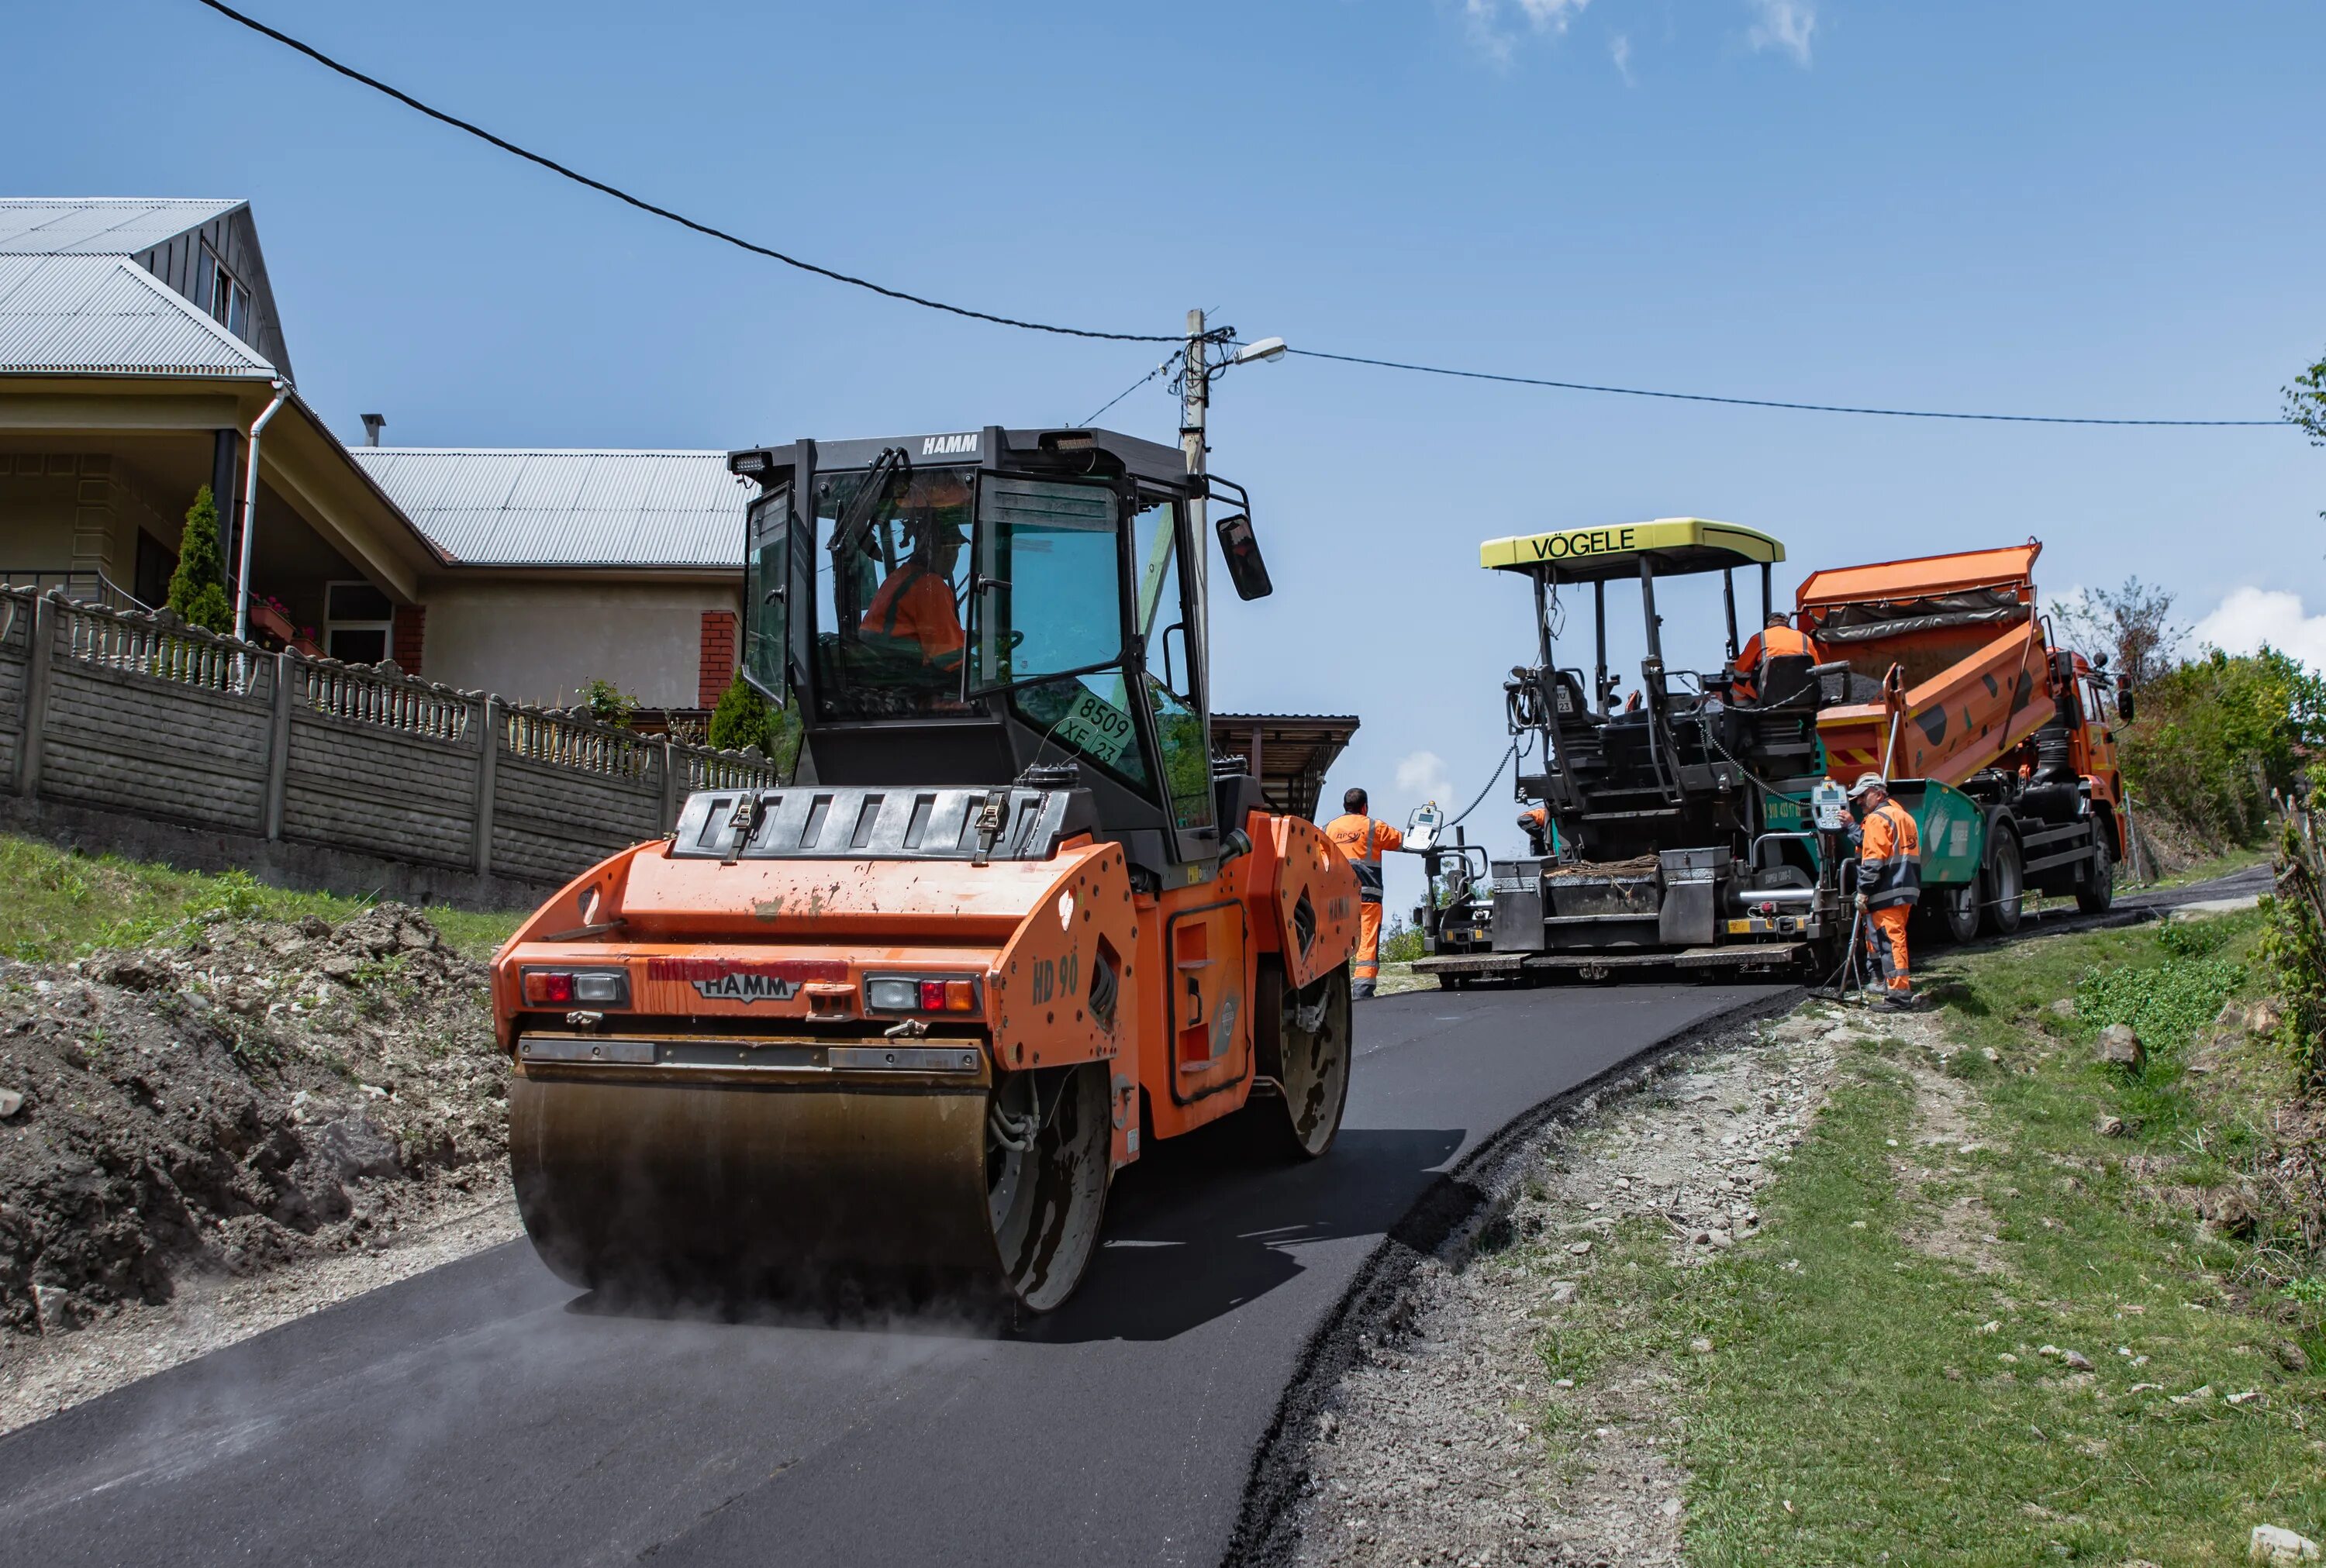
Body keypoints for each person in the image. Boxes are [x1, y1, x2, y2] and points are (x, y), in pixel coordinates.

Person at [1847, 773, 1921, 1010]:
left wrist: (1863, 890)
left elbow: (1873, 861)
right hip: (1904, 888)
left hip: (1887, 890)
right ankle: (1889, 985)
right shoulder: (1903, 816)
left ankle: (1898, 997)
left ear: (1878, 794)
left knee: (1891, 942)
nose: (1859, 802)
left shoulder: (1878, 819)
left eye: (1863, 796)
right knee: (1893, 940)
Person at [1323, 787, 1404, 999]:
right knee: (1366, 942)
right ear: (1365, 807)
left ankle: (1333, 993)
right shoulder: (1373, 827)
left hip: (1337, 899)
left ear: (1344, 807)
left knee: (1334, 943)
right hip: (1367, 896)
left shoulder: (1328, 829)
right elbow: (1403, 842)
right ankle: (1362, 990)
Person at [861, 515, 965, 670]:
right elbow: (951, 660)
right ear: (930, 548)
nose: (953, 556)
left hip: (887, 674)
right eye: (948, 547)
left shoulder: (900, 577)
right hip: (907, 680)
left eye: (956, 548)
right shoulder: (929, 586)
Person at [1731, 611, 1820, 701]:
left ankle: (1746, 713)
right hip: (1806, 696)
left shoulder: (1759, 638)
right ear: (1788, 625)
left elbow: (1740, 672)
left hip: (1770, 697)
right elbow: (1818, 669)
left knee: (1738, 684)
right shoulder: (1805, 638)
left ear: (1767, 627)